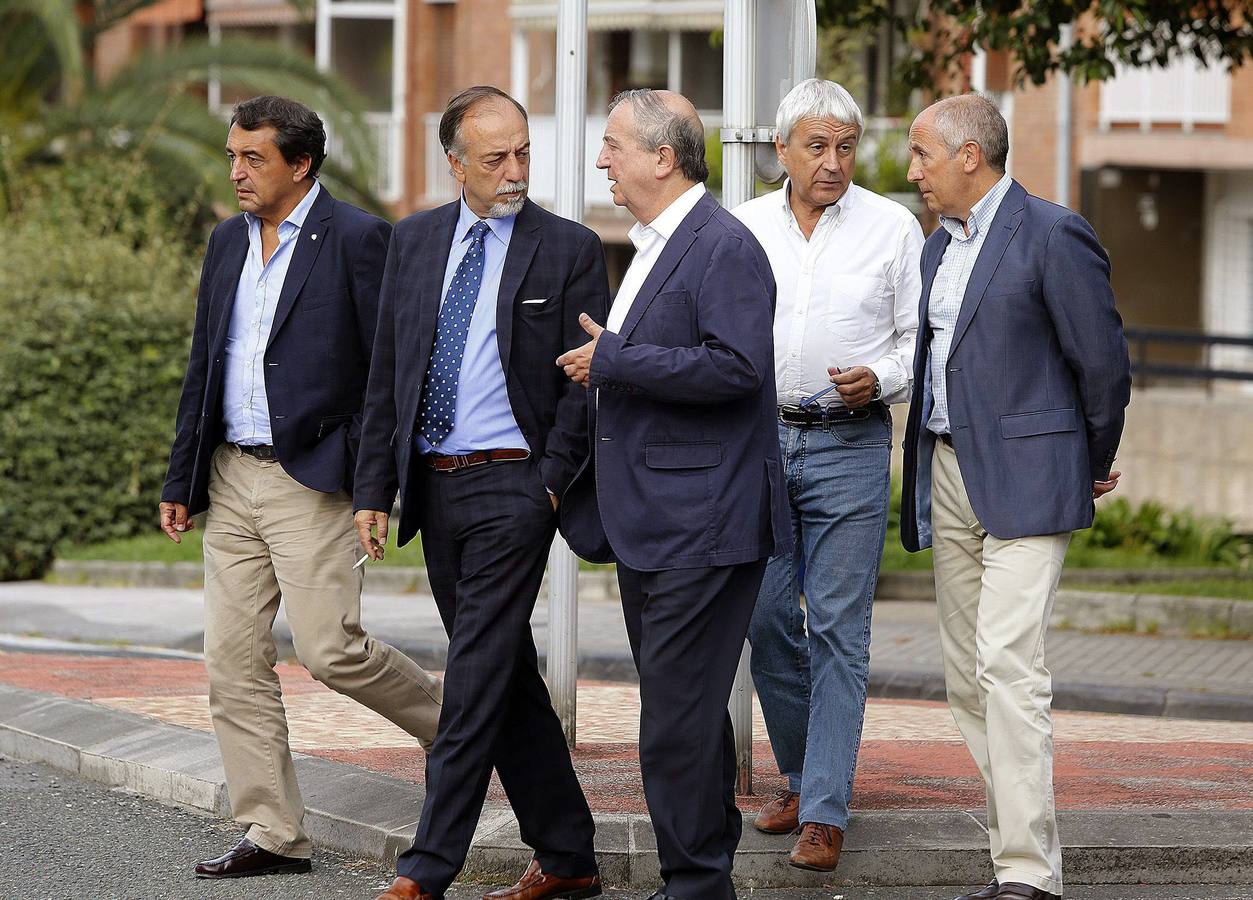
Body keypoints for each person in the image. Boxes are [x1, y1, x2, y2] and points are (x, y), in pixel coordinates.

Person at [159, 95, 444, 879]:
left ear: (301, 164)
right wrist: (182, 475)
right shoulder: (226, 241)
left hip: (313, 476)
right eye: (232, 156)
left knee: (330, 650)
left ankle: (455, 730)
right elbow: (204, 363)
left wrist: (371, 484)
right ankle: (274, 832)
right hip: (230, 470)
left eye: (253, 158)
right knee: (231, 658)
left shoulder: (357, 238)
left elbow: (390, 370)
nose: (237, 171)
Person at [352, 86, 607, 900]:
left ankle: (427, 868)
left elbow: (583, 384)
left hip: (514, 488)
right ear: (454, 162)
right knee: (504, 675)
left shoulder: (566, 247)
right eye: (494, 158)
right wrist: (374, 489)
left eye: (523, 152)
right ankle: (568, 858)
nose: (513, 170)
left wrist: (550, 485)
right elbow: (390, 369)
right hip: (435, 488)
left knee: (468, 677)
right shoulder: (416, 239)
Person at [557, 88, 790, 900]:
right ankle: (703, 875)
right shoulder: (657, 243)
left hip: (703, 523)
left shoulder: (720, 245)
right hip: (655, 523)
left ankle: (693, 886)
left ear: (664, 156)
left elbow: (737, 368)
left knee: (673, 724)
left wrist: (614, 360)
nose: (601, 160)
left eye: (614, 144)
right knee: (683, 714)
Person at [900, 94, 1131, 900]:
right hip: (950, 473)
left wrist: (1088, 459)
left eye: (922, 153)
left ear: (970, 156)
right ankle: (1014, 858)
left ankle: (1028, 876)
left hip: (1031, 476)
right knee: (967, 677)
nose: (912, 170)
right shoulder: (938, 248)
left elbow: (1101, 364)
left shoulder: (1051, 232)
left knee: (1007, 666)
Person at [731, 78, 923, 872]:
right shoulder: (739, 229)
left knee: (840, 628)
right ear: (781, 149)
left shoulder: (893, 227)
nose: (833, 162)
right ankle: (808, 777)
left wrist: (877, 378)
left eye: (845, 146)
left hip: (849, 444)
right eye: (816, 145)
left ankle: (823, 811)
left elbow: (921, 342)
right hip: (761, 445)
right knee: (767, 618)